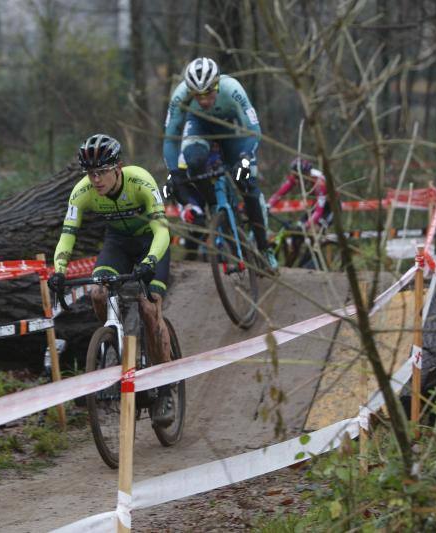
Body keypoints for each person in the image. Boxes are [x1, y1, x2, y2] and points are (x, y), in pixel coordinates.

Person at [47, 134, 175, 427]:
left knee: (149, 307)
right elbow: (68, 235)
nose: (96, 180)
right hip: (117, 243)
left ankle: (166, 389)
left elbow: (162, 231)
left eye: (102, 172)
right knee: (97, 294)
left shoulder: (141, 181)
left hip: (150, 242)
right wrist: (59, 270)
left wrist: (150, 262)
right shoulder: (82, 193)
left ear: (118, 167)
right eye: (91, 173)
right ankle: (113, 348)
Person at [162, 57, 277, 270]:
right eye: (198, 95)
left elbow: (253, 130)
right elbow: (170, 138)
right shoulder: (180, 96)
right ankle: (214, 205)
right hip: (199, 127)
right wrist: (173, 171)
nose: (204, 100)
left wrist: (244, 156)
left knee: (247, 185)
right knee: (193, 162)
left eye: (208, 93)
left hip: (234, 134)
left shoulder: (232, 89)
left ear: (216, 84)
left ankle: (264, 248)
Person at [267, 158, 332, 265]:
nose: (295, 180)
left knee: (313, 231)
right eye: (294, 176)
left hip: (330, 209)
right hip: (316, 207)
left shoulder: (319, 183)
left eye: (297, 177)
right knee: (296, 236)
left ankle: (312, 260)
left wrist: (307, 225)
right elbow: (280, 193)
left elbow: (319, 211)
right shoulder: (296, 177)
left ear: (306, 173)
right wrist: (268, 205)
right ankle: (291, 265)